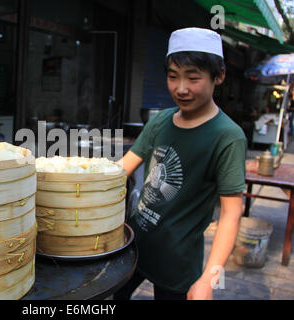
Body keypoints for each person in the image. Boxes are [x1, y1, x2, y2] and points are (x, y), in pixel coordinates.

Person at [115, 27, 247, 300]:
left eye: (193, 78)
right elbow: (120, 171)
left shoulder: (228, 136)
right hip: (134, 244)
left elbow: (231, 214)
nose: (181, 88)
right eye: (173, 77)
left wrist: (209, 280)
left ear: (219, 76)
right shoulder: (160, 120)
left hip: (178, 260)